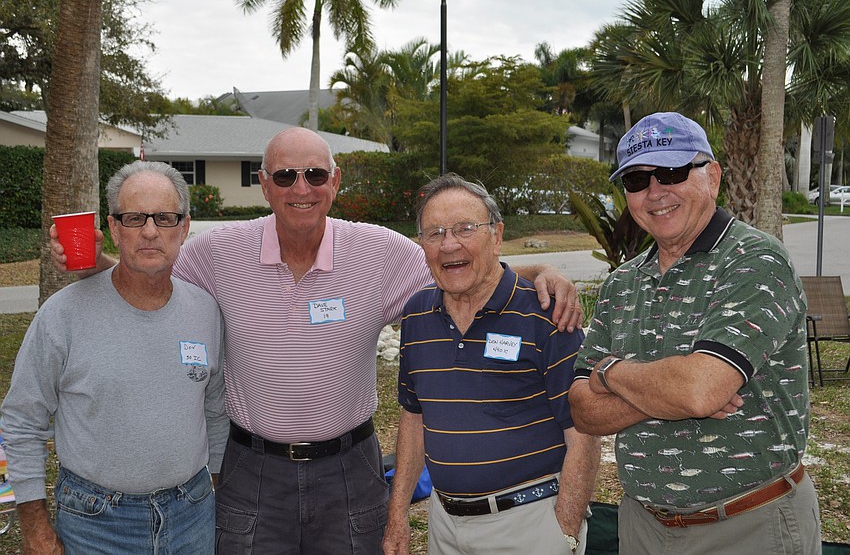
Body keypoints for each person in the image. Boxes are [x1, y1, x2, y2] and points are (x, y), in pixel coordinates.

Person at [50, 127, 584, 553]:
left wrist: (543, 269)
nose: (300, 188)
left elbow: (460, 268)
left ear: (335, 180)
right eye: (285, 176)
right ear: (264, 184)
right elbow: (149, 270)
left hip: (349, 469)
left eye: (314, 174)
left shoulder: (379, 250)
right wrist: (93, 262)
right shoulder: (218, 252)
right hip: (251, 469)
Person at [568, 112, 821, 554]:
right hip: (643, 526)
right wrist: (672, 391)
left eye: (671, 172)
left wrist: (609, 375)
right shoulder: (622, 283)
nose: (654, 192)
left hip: (748, 525)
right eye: (636, 180)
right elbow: (583, 412)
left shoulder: (754, 261)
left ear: (712, 177)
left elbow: (699, 392)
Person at [1, 161, 227, 554]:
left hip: (192, 516)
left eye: (165, 217)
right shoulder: (62, 315)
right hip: (95, 525)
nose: (151, 231)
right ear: (114, 228)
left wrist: (219, 497)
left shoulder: (205, 310)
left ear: (185, 227)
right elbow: (22, 422)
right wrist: (35, 529)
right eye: (135, 218)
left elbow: (216, 409)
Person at [382, 174, 599, 555]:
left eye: (466, 228)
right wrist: (398, 514)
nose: (450, 244)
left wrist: (564, 532)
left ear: (497, 236)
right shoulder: (417, 315)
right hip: (444, 525)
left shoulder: (548, 313)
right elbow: (414, 418)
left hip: (528, 524)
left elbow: (583, 433)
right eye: (435, 233)